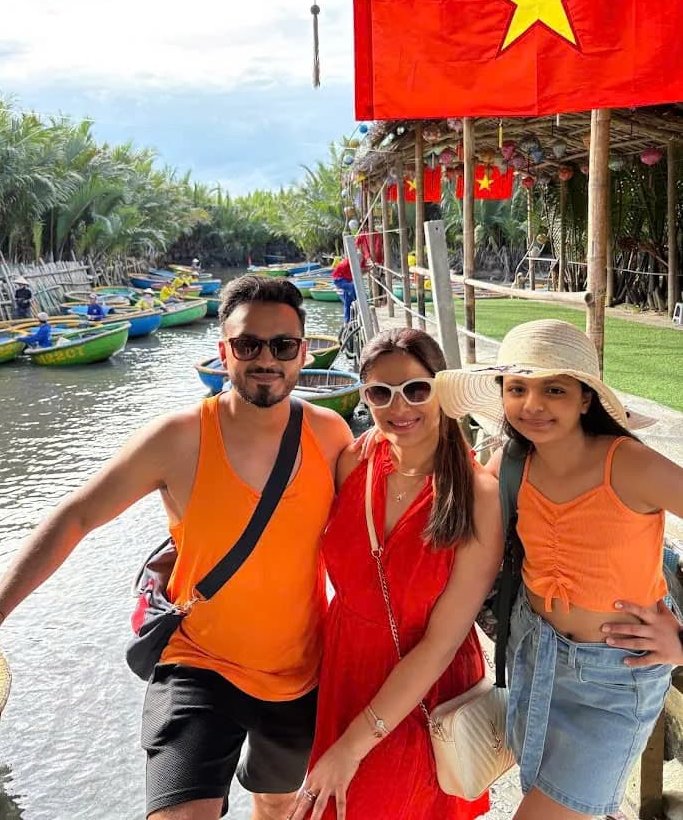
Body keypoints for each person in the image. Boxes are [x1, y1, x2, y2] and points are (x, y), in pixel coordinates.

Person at [0, 276, 353, 820]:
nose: (266, 359)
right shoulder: (179, 438)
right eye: (248, 344)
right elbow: (77, 515)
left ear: (303, 353)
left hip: (299, 670)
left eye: (282, 345)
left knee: (279, 801)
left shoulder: (330, 436)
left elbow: (380, 524)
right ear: (224, 352)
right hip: (199, 661)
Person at [434, 319, 683, 820]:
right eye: (517, 389)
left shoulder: (629, 464)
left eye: (554, 390)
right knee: (555, 798)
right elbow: (459, 528)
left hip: (614, 680)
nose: (533, 405)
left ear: (585, 399)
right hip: (534, 656)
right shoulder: (511, 463)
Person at [290, 327, 502, 820]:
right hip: (345, 668)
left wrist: (351, 746)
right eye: (380, 393)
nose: (398, 406)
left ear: (441, 388)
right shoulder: (353, 463)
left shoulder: (477, 496)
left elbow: (442, 643)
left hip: (424, 684)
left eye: (416, 389)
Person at [331, 257, 357, 326]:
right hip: (340, 280)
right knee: (352, 288)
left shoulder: (353, 262)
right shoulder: (347, 263)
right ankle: (356, 302)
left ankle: (347, 320)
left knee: (347, 301)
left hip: (346, 280)